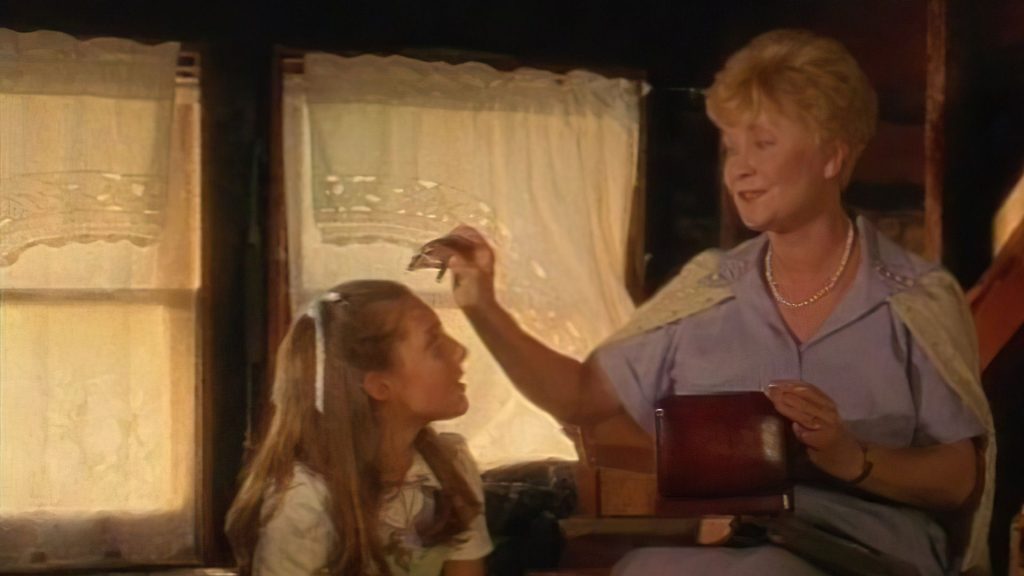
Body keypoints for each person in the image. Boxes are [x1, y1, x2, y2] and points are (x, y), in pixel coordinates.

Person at [445, 29, 994, 576]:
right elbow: (580, 398)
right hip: (734, 545)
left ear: (832, 156)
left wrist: (852, 457)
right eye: (731, 147)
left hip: (872, 556)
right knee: (643, 570)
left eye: (763, 143)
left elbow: (959, 479)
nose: (738, 168)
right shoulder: (706, 290)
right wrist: (482, 306)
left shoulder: (913, 296)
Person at [225, 280, 492, 576]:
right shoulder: (304, 501)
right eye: (435, 345)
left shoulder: (451, 466)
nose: (460, 351)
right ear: (379, 386)